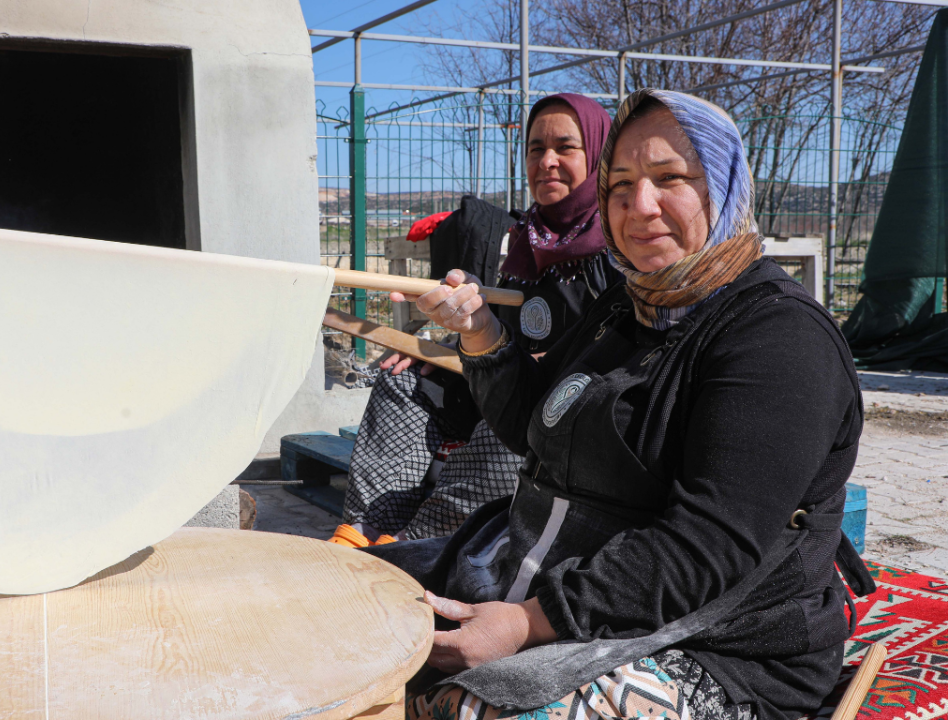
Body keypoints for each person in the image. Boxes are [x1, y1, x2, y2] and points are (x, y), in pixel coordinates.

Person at [368, 89, 870, 720]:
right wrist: (480, 335)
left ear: (724, 186)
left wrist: (525, 625)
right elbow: (534, 430)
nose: (641, 206)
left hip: (717, 642)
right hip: (552, 574)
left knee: (464, 707)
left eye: (671, 179)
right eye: (623, 184)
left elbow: (704, 547)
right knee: (350, 616)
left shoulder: (778, 339)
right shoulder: (627, 307)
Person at [332, 94, 619, 547]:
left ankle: (417, 545)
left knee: (516, 416)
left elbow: (625, 350)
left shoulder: (618, 249)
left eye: (565, 147)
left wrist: (542, 363)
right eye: (535, 148)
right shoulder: (522, 241)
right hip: (497, 380)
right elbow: (496, 329)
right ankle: (365, 527)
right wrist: (447, 349)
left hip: (562, 407)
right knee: (401, 382)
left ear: (600, 156)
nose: (546, 161)